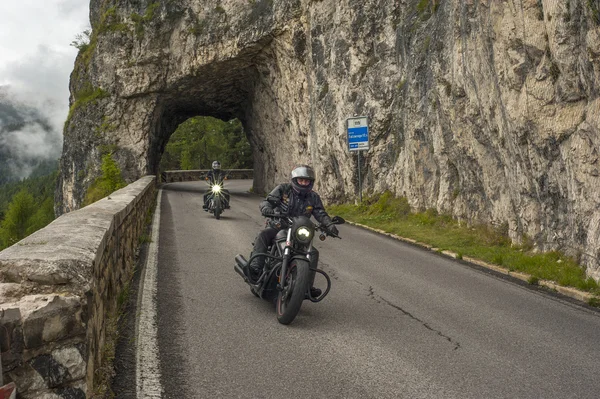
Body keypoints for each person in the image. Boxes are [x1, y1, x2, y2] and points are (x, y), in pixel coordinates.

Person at [245, 164, 339, 297]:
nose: (304, 183)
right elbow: (268, 201)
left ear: (310, 182)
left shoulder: (313, 197)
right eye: (301, 180)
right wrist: (267, 208)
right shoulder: (283, 189)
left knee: (312, 253)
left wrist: (329, 225)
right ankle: (255, 268)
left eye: (306, 181)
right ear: (295, 180)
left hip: (299, 231)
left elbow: (320, 213)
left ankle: (306, 286)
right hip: (278, 225)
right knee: (264, 235)